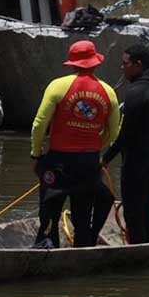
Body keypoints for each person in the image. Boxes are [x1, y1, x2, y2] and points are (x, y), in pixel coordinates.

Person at [30, 40, 121, 248]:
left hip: (58, 160)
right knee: (82, 214)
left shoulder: (57, 86)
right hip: (88, 162)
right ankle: (83, 248)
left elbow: (39, 124)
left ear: (72, 63)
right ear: (96, 62)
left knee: (49, 211)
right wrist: (95, 146)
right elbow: (114, 132)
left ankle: (47, 248)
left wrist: (36, 154)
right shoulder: (109, 92)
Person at [102, 43, 149, 244]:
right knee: (146, 209)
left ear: (138, 65)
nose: (122, 68)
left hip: (136, 162)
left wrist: (105, 158)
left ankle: (139, 252)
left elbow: (126, 134)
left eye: (126, 63)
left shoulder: (136, 92)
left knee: (132, 212)